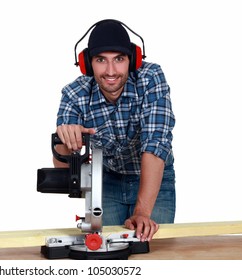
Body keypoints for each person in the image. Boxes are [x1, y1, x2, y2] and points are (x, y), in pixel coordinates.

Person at [53, 19, 176, 242]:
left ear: (133, 59)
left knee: (154, 250)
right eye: (101, 60)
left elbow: (156, 144)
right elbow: (64, 173)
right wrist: (65, 141)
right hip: (106, 180)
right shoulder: (73, 94)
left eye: (119, 59)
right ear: (88, 64)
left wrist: (142, 213)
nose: (111, 71)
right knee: (108, 250)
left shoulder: (151, 78)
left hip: (153, 175)